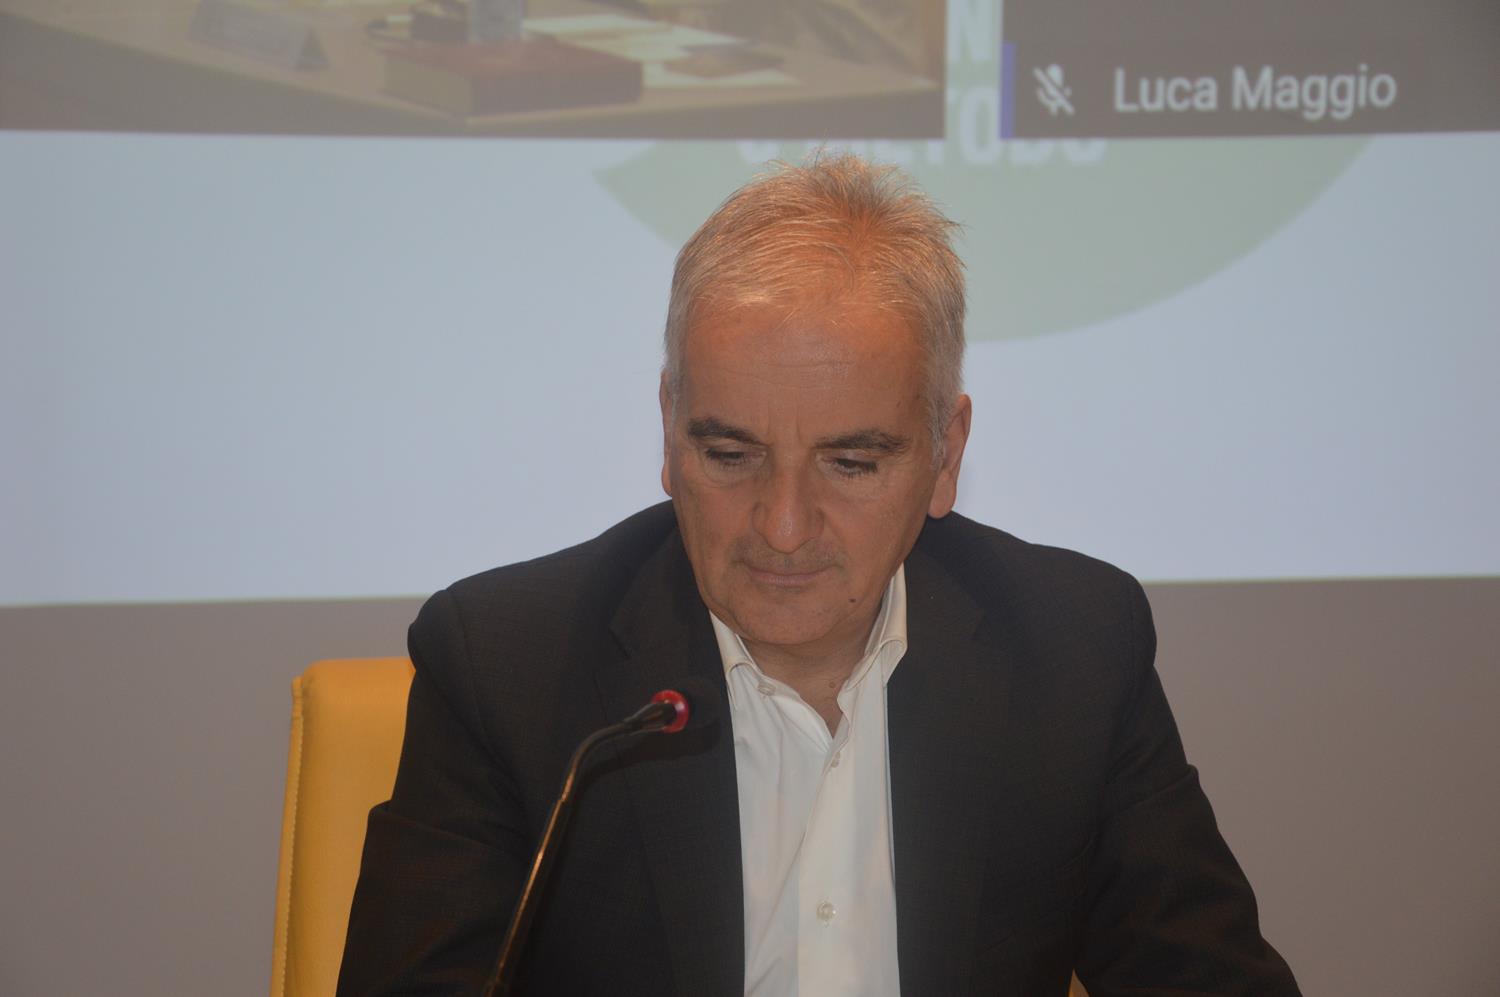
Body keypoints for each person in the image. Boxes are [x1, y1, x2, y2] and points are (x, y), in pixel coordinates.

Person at [338, 154, 1300, 996]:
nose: (783, 526)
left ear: (946, 454)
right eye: (730, 455)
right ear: (669, 432)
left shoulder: (1074, 649)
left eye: (850, 462)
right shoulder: (507, 669)